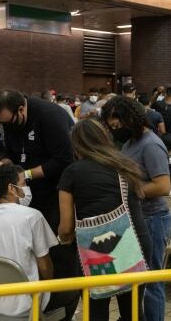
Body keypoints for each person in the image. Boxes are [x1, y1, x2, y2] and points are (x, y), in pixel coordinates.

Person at [0, 89, 77, 318]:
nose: (7, 127)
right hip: (24, 193)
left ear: (21, 109)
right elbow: (11, 152)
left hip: (55, 192)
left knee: (56, 252)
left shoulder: (50, 116)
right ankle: (36, 295)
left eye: (8, 122)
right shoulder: (10, 123)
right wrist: (4, 165)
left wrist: (25, 174)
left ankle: (62, 305)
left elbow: (64, 160)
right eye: (2, 124)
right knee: (32, 247)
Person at [57, 119, 152, 321]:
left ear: (77, 144)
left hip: (96, 251)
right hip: (134, 243)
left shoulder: (72, 172)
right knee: (133, 312)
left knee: (96, 311)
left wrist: (63, 240)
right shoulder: (125, 165)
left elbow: (66, 227)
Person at [101, 96, 170, 321]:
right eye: (112, 125)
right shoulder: (130, 143)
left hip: (152, 219)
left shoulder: (150, 144)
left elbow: (163, 186)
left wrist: (130, 192)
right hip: (136, 218)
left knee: (151, 280)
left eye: (118, 124)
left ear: (131, 118)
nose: (115, 129)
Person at [0, 164, 59, 316]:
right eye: (23, 183)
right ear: (11, 188)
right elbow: (45, 265)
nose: (26, 188)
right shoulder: (32, 216)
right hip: (26, 303)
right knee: (70, 292)